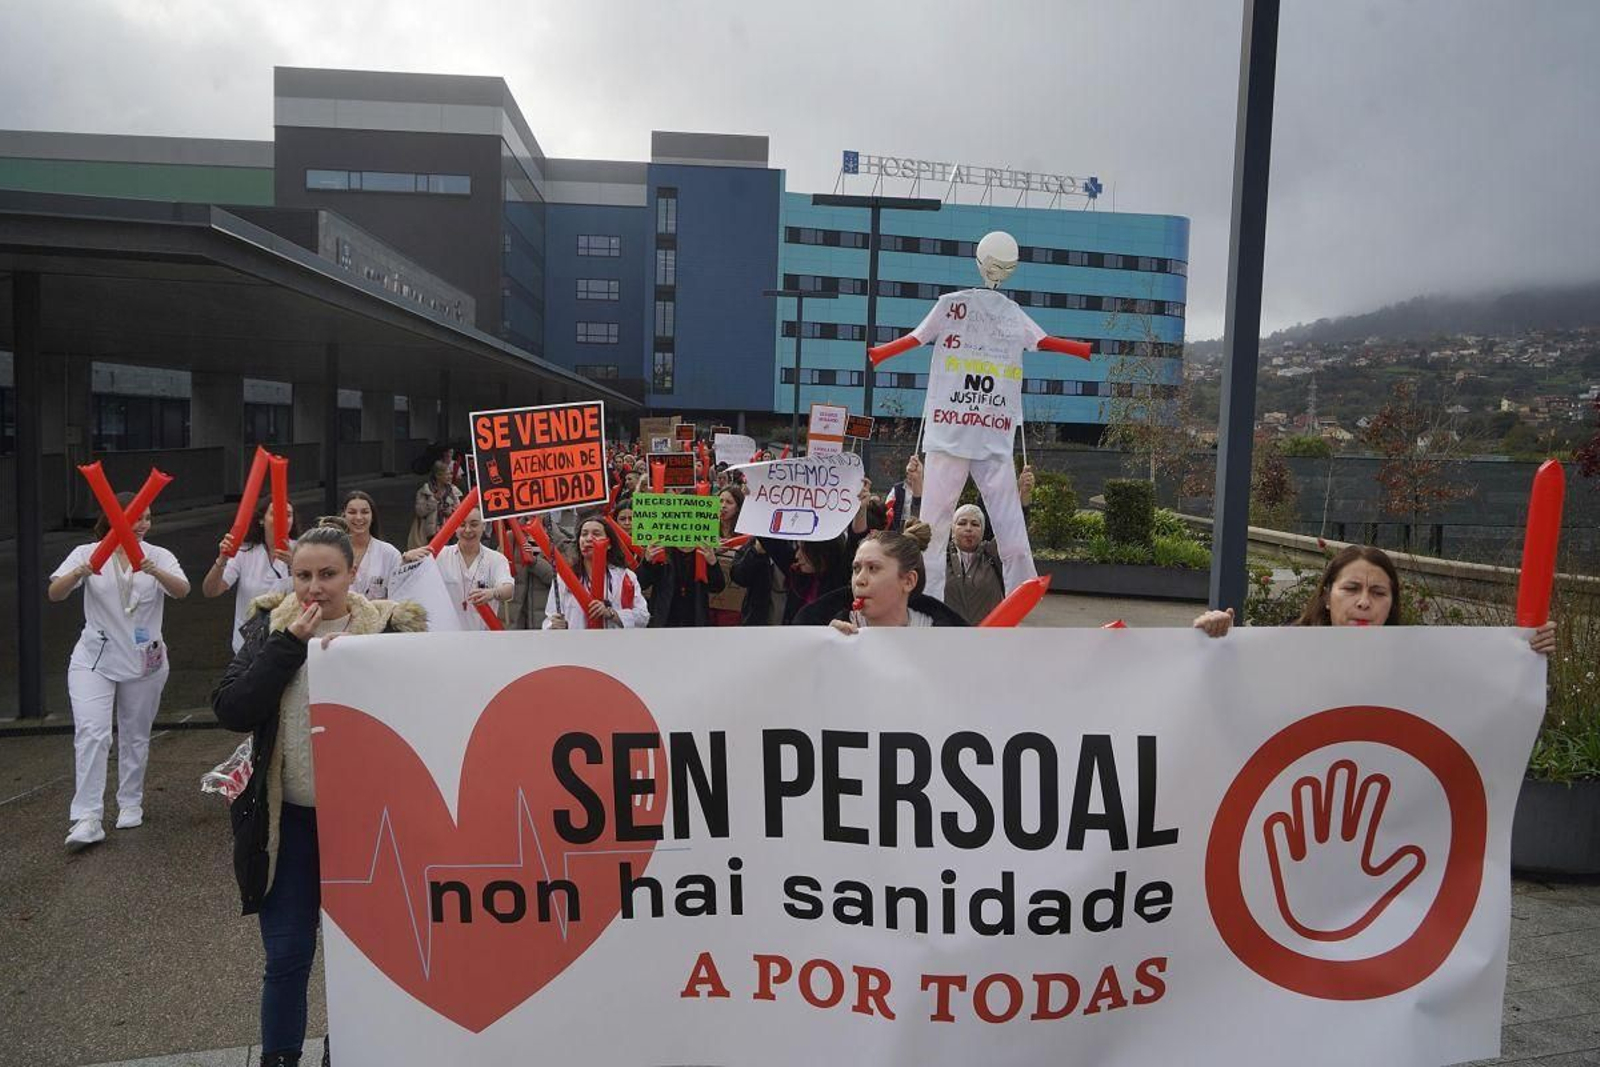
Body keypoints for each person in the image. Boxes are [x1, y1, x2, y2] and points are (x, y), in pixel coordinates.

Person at [212, 518, 425, 1067]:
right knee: (287, 955)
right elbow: (232, 708)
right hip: (291, 824)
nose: (314, 587)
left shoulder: (390, 631)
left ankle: (348, 1049)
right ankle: (280, 1057)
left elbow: (424, 713)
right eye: (302, 575)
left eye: (327, 574)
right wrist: (290, 647)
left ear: (352, 574)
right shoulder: (268, 627)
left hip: (366, 826)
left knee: (362, 958)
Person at [47, 493, 190, 850]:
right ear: (114, 519)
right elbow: (55, 593)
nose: (143, 524)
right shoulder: (87, 551)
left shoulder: (159, 555)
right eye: (136, 517)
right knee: (93, 732)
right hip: (94, 658)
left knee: (135, 734)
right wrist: (79, 573)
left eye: (147, 518)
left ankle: (130, 801)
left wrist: (154, 571)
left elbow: (183, 590)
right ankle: (87, 816)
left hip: (144, 659)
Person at [1192, 544, 1559, 653]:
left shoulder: (1420, 660)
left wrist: (1524, 652)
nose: (1364, 602)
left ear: (1392, 603)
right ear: (1326, 596)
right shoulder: (1277, 649)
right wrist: (1210, 641)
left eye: (1378, 592)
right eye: (1351, 589)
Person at [795, 530, 967, 630]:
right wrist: (821, 648)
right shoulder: (828, 630)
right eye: (856, 568)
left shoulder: (944, 637)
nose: (860, 580)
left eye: (873, 568)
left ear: (908, 581)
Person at [203, 500, 299, 653]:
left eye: (287, 515)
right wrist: (221, 560)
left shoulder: (303, 549)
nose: (282, 519)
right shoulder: (244, 552)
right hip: (248, 646)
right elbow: (211, 591)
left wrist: (296, 565)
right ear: (261, 520)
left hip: (289, 643)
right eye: (275, 514)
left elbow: (315, 592)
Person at [403, 508, 513, 631]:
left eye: (474, 524)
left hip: (484, 637)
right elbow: (408, 580)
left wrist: (493, 593)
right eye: (462, 525)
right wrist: (406, 559)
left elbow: (508, 590)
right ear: (454, 527)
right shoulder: (439, 555)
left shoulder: (496, 559)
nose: (467, 530)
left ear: (484, 526)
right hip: (447, 636)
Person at [545, 516, 649, 630]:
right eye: (584, 534)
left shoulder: (626, 576)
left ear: (609, 544)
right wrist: (553, 626)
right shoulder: (565, 578)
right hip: (576, 644)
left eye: (596, 533)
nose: (589, 538)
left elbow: (643, 617)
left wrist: (611, 614)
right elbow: (550, 618)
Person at [762, 534, 851, 624]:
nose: (797, 555)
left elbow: (856, 535)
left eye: (803, 550)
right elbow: (769, 541)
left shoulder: (841, 578)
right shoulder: (798, 572)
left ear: (821, 552)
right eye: (798, 548)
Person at [942, 503, 1006, 625]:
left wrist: (1023, 500)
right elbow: (920, 533)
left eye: (975, 524)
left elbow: (1012, 533)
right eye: (962, 523)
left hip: (988, 637)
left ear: (982, 531)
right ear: (952, 528)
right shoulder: (939, 555)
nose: (968, 528)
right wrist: (918, 497)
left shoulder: (993, 553)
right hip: (946, 637)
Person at [341, 490, 402, 600]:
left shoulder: (389, 554)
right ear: (343, 515)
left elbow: (398, 596)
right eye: (352, 512)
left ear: (372, 516)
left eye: (364, 512)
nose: (359, 517)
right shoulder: (332, 551)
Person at [706, 487, 746, 627]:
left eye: (729, 502)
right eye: (720, 501)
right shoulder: (706, 529)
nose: (723, 506)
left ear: (738, 508)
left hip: (734, 602)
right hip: (709, 599)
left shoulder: (745, 533)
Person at [407, 460, 462, 550]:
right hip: (430, 533)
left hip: (449, 531)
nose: (450, 477)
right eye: (447, 474)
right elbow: (420, 511)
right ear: (438, 476)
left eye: (451, 474)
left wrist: (450, 511)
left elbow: (459, 511)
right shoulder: (425, 491)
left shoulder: (452, 491)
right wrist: (433, 501)